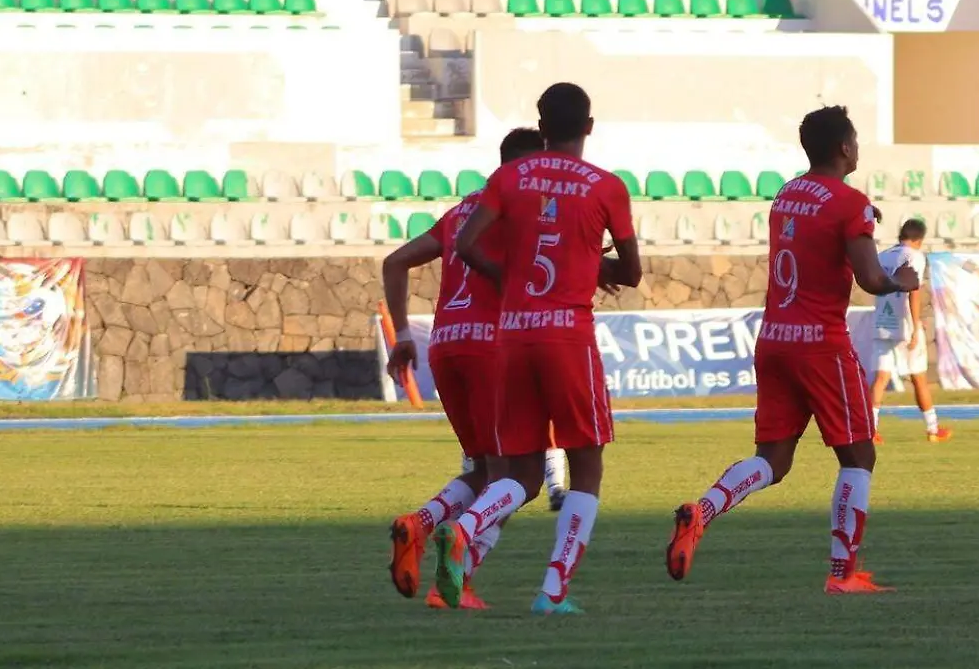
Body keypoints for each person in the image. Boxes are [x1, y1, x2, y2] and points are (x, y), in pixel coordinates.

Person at [665, 105, 921, 594]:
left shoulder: (786, 195)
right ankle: (842, 574)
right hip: (821, 344)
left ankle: (703, 511)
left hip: (776, 338)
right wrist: (900, 281)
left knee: (773, 461)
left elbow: (819, 232)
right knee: (858, 457)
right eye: (857, 139)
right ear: (846, 148)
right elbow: (869, 277)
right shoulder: (852, 203)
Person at [434, 82, 639, 617]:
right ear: (589, 126)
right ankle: (552, 591)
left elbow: (466, 245)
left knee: (521, 476)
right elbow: (633, 273)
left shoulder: (509, 177)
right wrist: (600, 265)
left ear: (541, 126)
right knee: (586, 469)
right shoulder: (606, 187)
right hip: (567, 336)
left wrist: (513, 275)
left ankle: (466, 526)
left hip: (512, 335)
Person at [382, 126, 544, 610]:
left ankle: (421, 524)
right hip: (492, 348)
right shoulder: (520, 207)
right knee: (517, 480)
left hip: (445, 346)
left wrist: (403, 336)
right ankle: (457, 570)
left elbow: (395, 262)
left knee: (480, 470)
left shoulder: (463, 210)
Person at [868, 218, 950, 444]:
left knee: (881, 379)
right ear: (919, 239)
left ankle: (870, 431)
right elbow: (913, 290)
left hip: (883, 321)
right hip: (905, 325)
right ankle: (933, 429)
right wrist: (915, 326)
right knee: (918, 377)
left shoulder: (882, 256)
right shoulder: (915, 256)